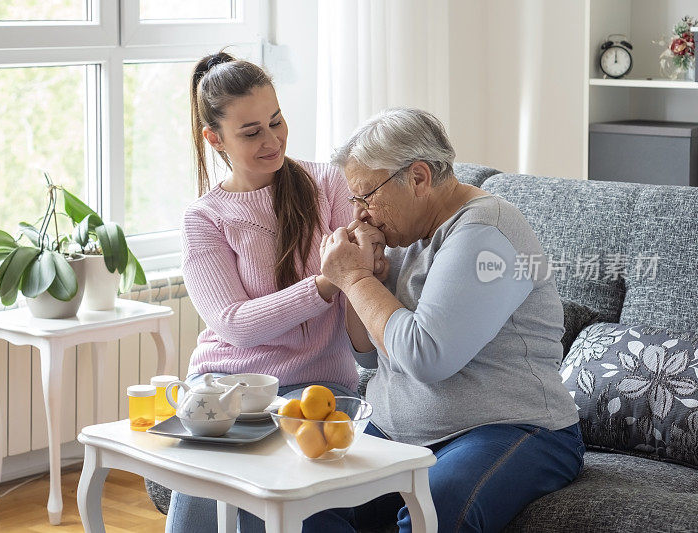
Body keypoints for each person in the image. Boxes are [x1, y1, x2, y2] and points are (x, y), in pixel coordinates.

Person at [314, 108, 585, 532]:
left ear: (418, 177)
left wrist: (354, 276)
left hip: (511, 429)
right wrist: (360, 282)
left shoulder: (486, 233)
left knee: (439, 506)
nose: (360, 214)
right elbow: (368, 354)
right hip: (398, 431)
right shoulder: (405, 232)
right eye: (355, 200)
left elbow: (426, 357)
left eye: (367, 196)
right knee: (309, 496)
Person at [159, 51, 373, 533]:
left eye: (276, 121)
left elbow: (356, 291)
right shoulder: (205, 218)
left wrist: (362, 274)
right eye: (251, 132)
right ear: (214, 139)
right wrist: (322, 284)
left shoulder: (327, 183)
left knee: (285, 508)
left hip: (317, 385)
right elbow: (233, 322)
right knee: (200, 510)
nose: (272, 140)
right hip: (226, 386)